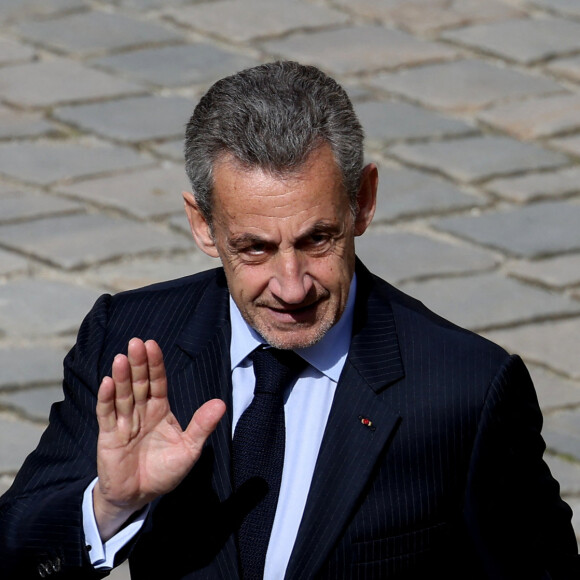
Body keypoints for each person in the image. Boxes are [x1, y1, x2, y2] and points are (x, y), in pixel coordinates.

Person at [0, 61, 578, 580]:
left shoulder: (463, 391)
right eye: (254, 248)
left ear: (364, 201)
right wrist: (110, 506)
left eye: (318, 239)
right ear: (203, 226)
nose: (292, 284)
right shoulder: (130, 342)